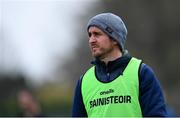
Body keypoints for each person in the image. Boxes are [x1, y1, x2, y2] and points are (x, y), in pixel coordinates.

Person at [72, 13, 169, 117]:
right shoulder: (84, 82)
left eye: (97, 34)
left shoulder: (141, 73)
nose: (91, 40)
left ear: (114, 39)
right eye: (90, 35)